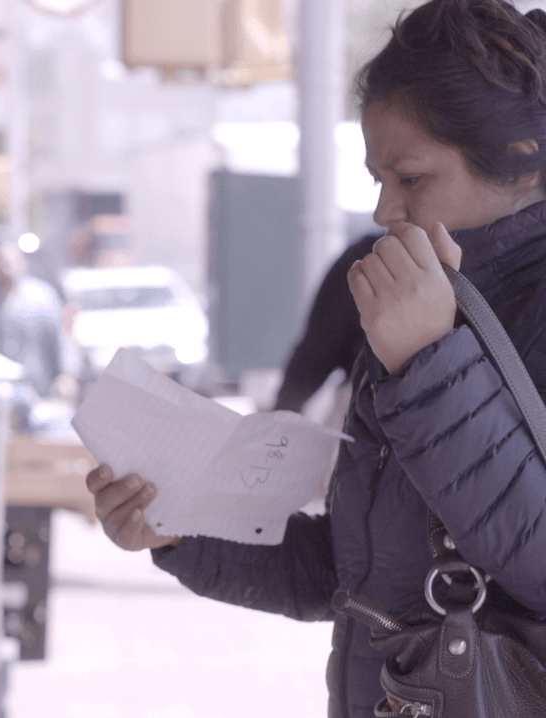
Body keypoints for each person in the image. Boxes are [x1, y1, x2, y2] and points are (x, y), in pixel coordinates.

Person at [85, 1, 546, 716]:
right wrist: (181, 527)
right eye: (377, 179)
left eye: (411, 179)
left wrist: (430, 361)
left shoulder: (438, 326)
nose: (385, 211)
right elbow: (353, 573)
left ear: (519, 162)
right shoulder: (414, 303)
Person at [0, 243, 81, 409]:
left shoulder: (42, 297)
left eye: (11, 262)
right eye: (1, 262)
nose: (6, 267)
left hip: (36, 388)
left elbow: (60, 339)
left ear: (23, 263)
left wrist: (67, 375)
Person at [273, 233, 374, 414]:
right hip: (359, 425)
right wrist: (279, 425)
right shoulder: (362, 262)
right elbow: (312, 359)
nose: (382, 214)